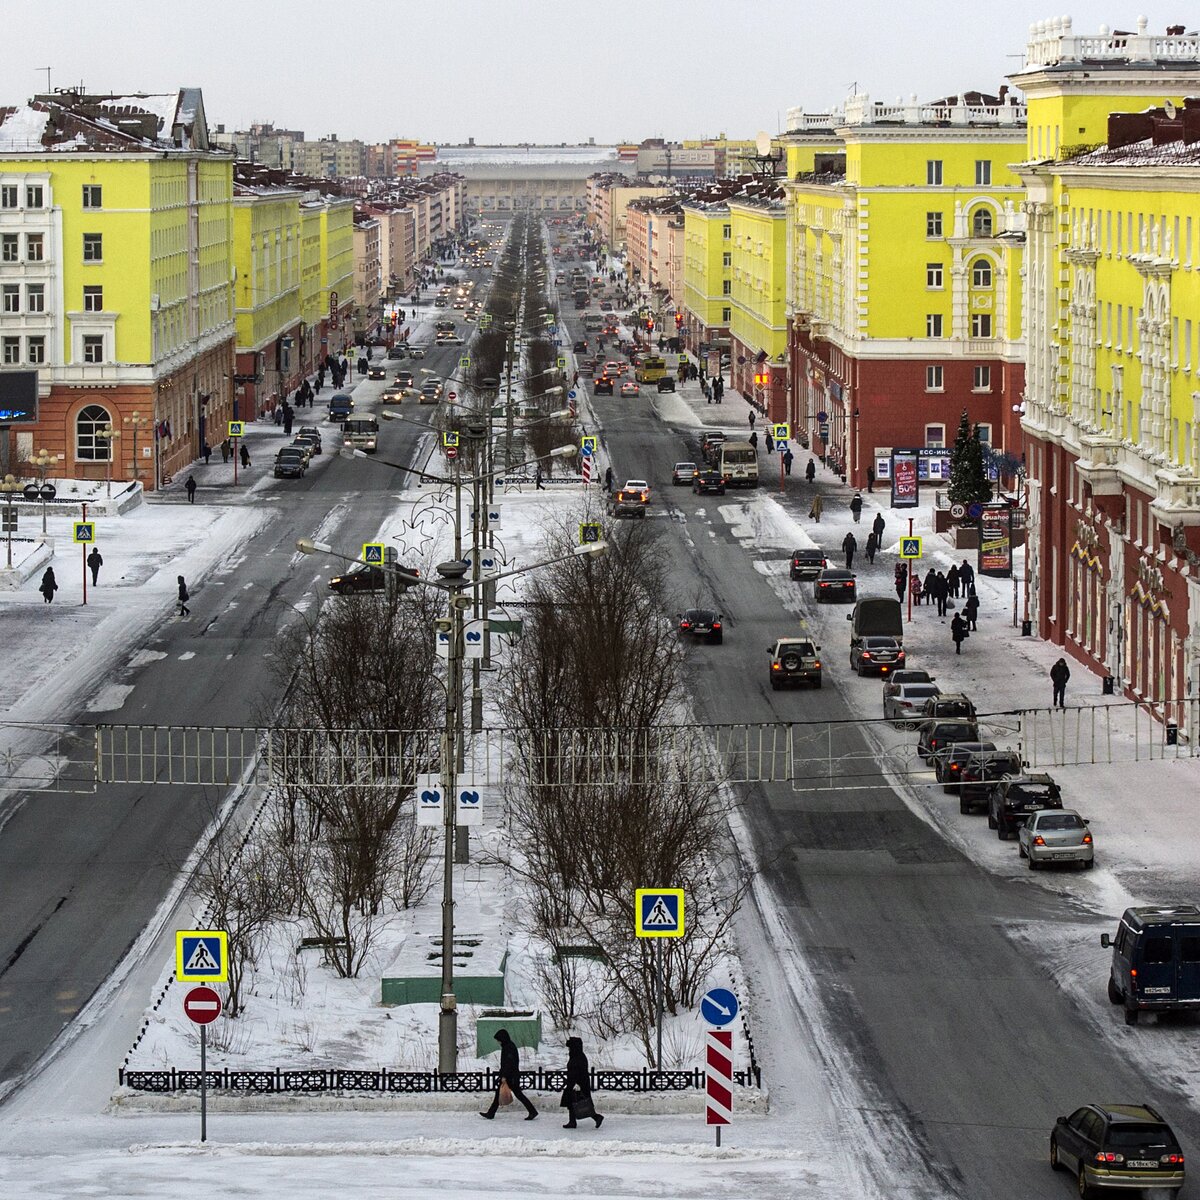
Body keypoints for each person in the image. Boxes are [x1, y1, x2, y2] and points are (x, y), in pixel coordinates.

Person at [480, 1029, 537, 1121]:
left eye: (498, 1040)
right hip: (511, 1075)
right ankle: (491, 1113)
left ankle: (532, 1111)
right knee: (501, 1093)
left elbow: (508, 1064)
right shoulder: (509, 1046)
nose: (498, 1042)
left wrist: (504, 1076)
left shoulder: (508, 1047)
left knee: (518, 1094)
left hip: (511, 1077)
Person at [560, 1036, 603, 1130]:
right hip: (577, 1083)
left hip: (577, 1084)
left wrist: (574, 1084)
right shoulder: (578, 1055)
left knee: (581, 1103)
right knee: (574, 1103)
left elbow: (576, 1072)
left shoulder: (577, 1057)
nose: (569, 1049)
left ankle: (596, 1117)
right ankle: (572, 1121)